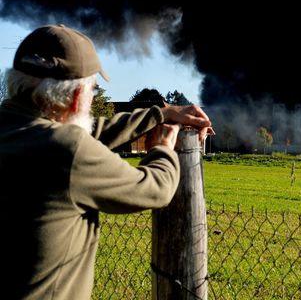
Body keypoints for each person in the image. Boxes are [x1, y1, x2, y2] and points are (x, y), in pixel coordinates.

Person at [0, 24, 213, 299]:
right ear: (78, 98)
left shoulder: (16, 131)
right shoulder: (67, 150)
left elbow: (88, 131)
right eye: (93, 89)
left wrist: (160, 114)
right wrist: (161, 147)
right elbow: (154, 188)